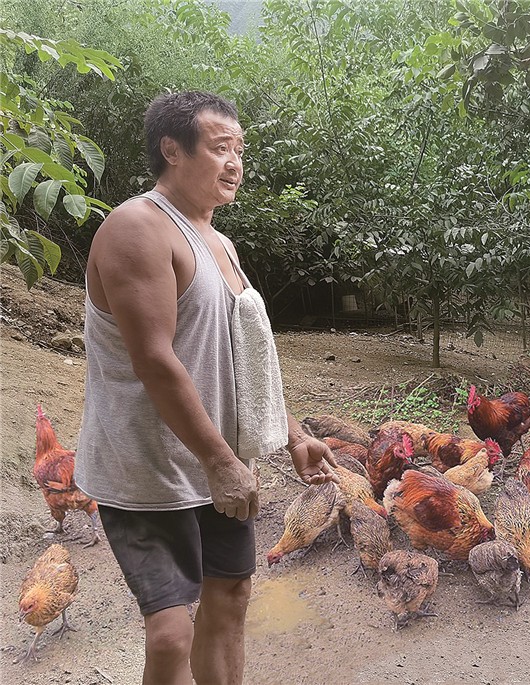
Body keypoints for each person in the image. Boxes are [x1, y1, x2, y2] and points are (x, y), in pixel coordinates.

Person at [75, 91, 338, 685]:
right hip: (148, 467)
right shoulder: (137, 227)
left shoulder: (221, 243)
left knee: (231, 597)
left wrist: (293, 434)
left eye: (240, 150)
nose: (235, 163)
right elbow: (154, 359)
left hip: (220, 464)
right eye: (221, 148)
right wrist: (219, 461)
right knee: (171, 634)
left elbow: (245, 359)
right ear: (172, 150)